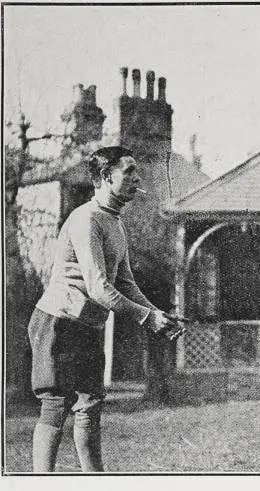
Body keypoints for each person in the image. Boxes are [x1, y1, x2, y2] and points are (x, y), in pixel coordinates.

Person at [28, 146, 181, 472]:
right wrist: (147, 318)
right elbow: (99, 287)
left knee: (90, 405)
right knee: (57, 404)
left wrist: (157, 314)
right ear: (103, 177)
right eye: (128, 171)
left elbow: (125, 283)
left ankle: (95, 484)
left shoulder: (114, 223)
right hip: (59, 322)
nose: (137, 178)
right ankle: (39, 489)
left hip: (88, 325)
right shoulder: (86, 219)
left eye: (136, 171)